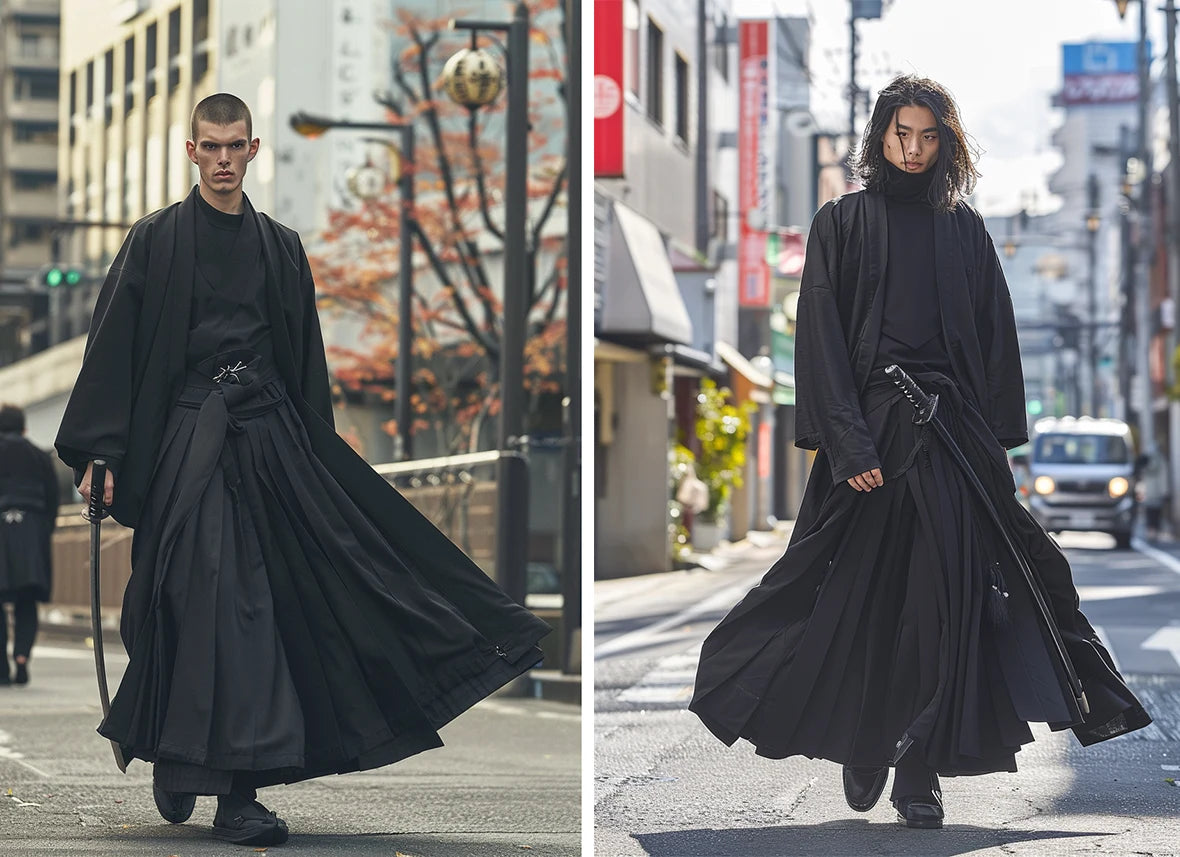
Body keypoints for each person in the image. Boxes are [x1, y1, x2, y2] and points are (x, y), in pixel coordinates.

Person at [55, 93, 550, 847]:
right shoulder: (154, 240)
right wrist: (102, 454)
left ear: (254, 151)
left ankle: (232, 787)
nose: (223, 159)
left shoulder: (282, 246)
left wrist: (316, 458)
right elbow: (114, 350)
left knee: (271, 601)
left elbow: (305, 363)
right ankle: (181, 747)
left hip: (272, 436)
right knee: (195, 594)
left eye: (235, 147)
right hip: (188, 437)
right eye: (209, 147)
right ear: (191, 153)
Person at [689, 75, 1150, 830]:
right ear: (879, 137)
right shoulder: (841, 222)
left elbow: (996, 341)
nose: (913, 148)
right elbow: (822, 339)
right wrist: (847, 440)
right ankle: (865, 739)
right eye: (902, 133)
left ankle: (917, 768)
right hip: (868, 437)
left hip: (950, 440)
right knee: (858, 600)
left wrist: (992, 453)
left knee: (946, 610)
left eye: (928, 135)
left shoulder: (964, 228)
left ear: (946, 142)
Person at [0, 404, 60, 687]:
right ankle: (22, 656)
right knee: (27, 599)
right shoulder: (40, 456)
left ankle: (1, 667)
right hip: (32, 529)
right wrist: (41, 531)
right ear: (24, 428)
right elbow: (53, 501)